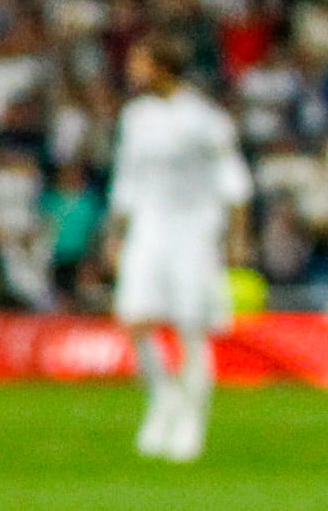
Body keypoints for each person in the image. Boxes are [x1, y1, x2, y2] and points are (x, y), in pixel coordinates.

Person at [107, 32, 251, 462]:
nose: (132, 70)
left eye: (139, 60)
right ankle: (162, 396)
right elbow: (127, 179)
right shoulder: (135, 117)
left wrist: (237, 236)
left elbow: (234, 181)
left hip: (193, 228)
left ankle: (192, 419)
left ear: (161, 65)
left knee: (191, 326)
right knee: (135, 318)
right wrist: (117, 232)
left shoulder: (205, 119)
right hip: (149, 226)